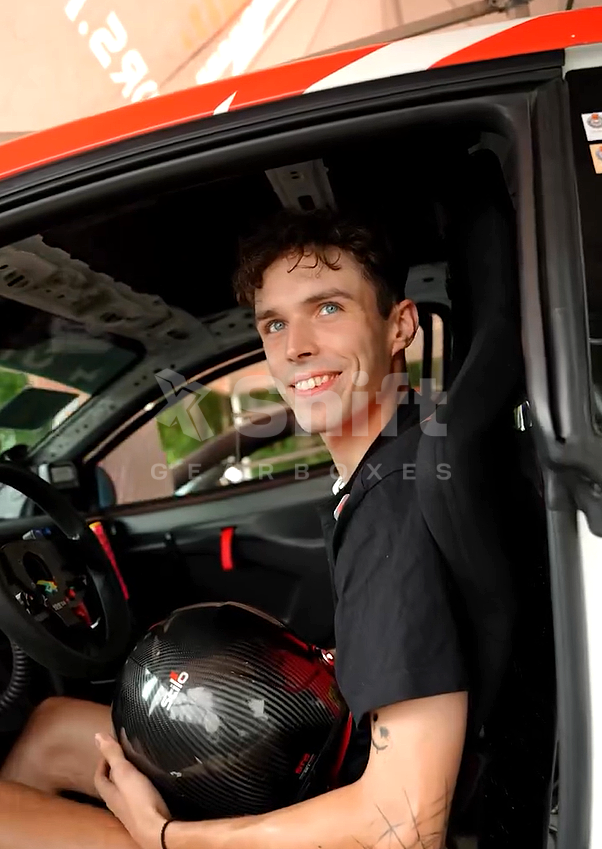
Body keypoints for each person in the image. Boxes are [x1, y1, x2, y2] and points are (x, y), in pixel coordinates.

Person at [0, 209, 469, 849]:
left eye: (328, 308)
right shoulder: (389, 463)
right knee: (53, 727)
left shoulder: (394, 513)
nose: (295, 345)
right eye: (275, 323)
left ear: (401, 326)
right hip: (339, 758)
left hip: (362, 818)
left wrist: (165, 835)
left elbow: (406, 826)